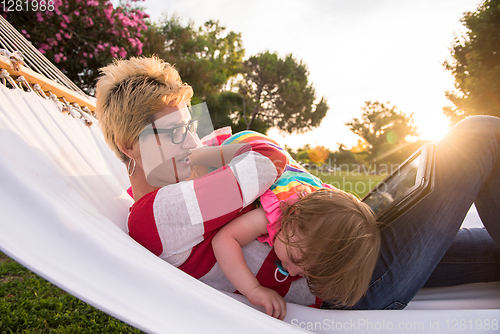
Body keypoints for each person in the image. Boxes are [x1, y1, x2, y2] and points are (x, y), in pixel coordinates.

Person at [94, 56, 500, 315]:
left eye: (190, 125)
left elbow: (247, 152)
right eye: (175, 131)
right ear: (131, 146)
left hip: (347, 236)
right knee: (480, 137)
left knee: (490, 252)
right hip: (354, 278)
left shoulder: (175, 185)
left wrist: (211, 150)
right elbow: (269, 160)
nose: (193, 142)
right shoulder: (160, 215)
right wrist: (218, 151)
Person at [212, 187, 380, 319]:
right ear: (291, 219)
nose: (291, 272)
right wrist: (253, 289)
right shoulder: (274, 214)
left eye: (304, 273)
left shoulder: (308, 229)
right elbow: (225, 239)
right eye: (294, 259)